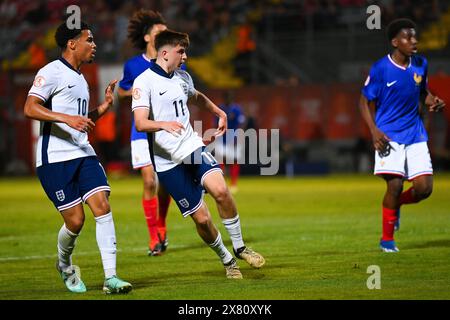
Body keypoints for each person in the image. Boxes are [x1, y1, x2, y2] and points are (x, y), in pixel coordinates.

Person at [132, 29, 265, 278]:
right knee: (202, 219)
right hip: (167, 162)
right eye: (181, 51)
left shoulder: (182, 77)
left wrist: (219, 113)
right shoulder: (143, 82)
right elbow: (140, 123)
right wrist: (163, 124)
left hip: (192, 148)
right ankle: (227, 261)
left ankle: (239, 247)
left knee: (222, 191)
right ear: (164, 53)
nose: (185, 57)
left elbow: (196, 97)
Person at [23, 19, 132, 294]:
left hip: (83, 153)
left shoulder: (81, 78)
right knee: (75, 221)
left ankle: (111, 278)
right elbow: (30, 107)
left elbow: (80, 120)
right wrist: (65, 117)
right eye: (89, 40)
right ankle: (64, 264)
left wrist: (104, 107)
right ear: (72, 44)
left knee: (102, 206)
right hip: (55, 159)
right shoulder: (51, 72)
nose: (94, 45)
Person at [359, 18, 445, 253]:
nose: (414, 40)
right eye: (408, 37)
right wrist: (374, 130)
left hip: (415, 134)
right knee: (394, 186)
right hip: (389, 136)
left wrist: (432, 101)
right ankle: (387, 240)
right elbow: (364, 100)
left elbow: (423, 92)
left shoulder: (421, 64)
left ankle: (397, 206)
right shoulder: (381, 68)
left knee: (424, 189)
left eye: (415, 36)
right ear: (396, 42)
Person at [118, 10, 172, 256]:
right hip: (141, 129)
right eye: (159, 32)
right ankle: (154, 237)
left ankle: (162, 222)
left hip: (165, 130)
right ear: (148, 37)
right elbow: (121, 91)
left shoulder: (170, 61)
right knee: (149, 181)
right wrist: (140, 91)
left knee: (166, 183)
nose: (164, 34)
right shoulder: (133, 65)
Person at [214, 91, 246, 193]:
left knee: (234, 160)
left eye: (230, 98)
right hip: (222, 137)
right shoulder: (220, 108)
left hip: (234, 138)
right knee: (220, 160)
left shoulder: (237, 109)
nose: (228, 99)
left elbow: (241, 123)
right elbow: (216, 123)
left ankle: (233, 184)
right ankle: (221, 183)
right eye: (227, 97)